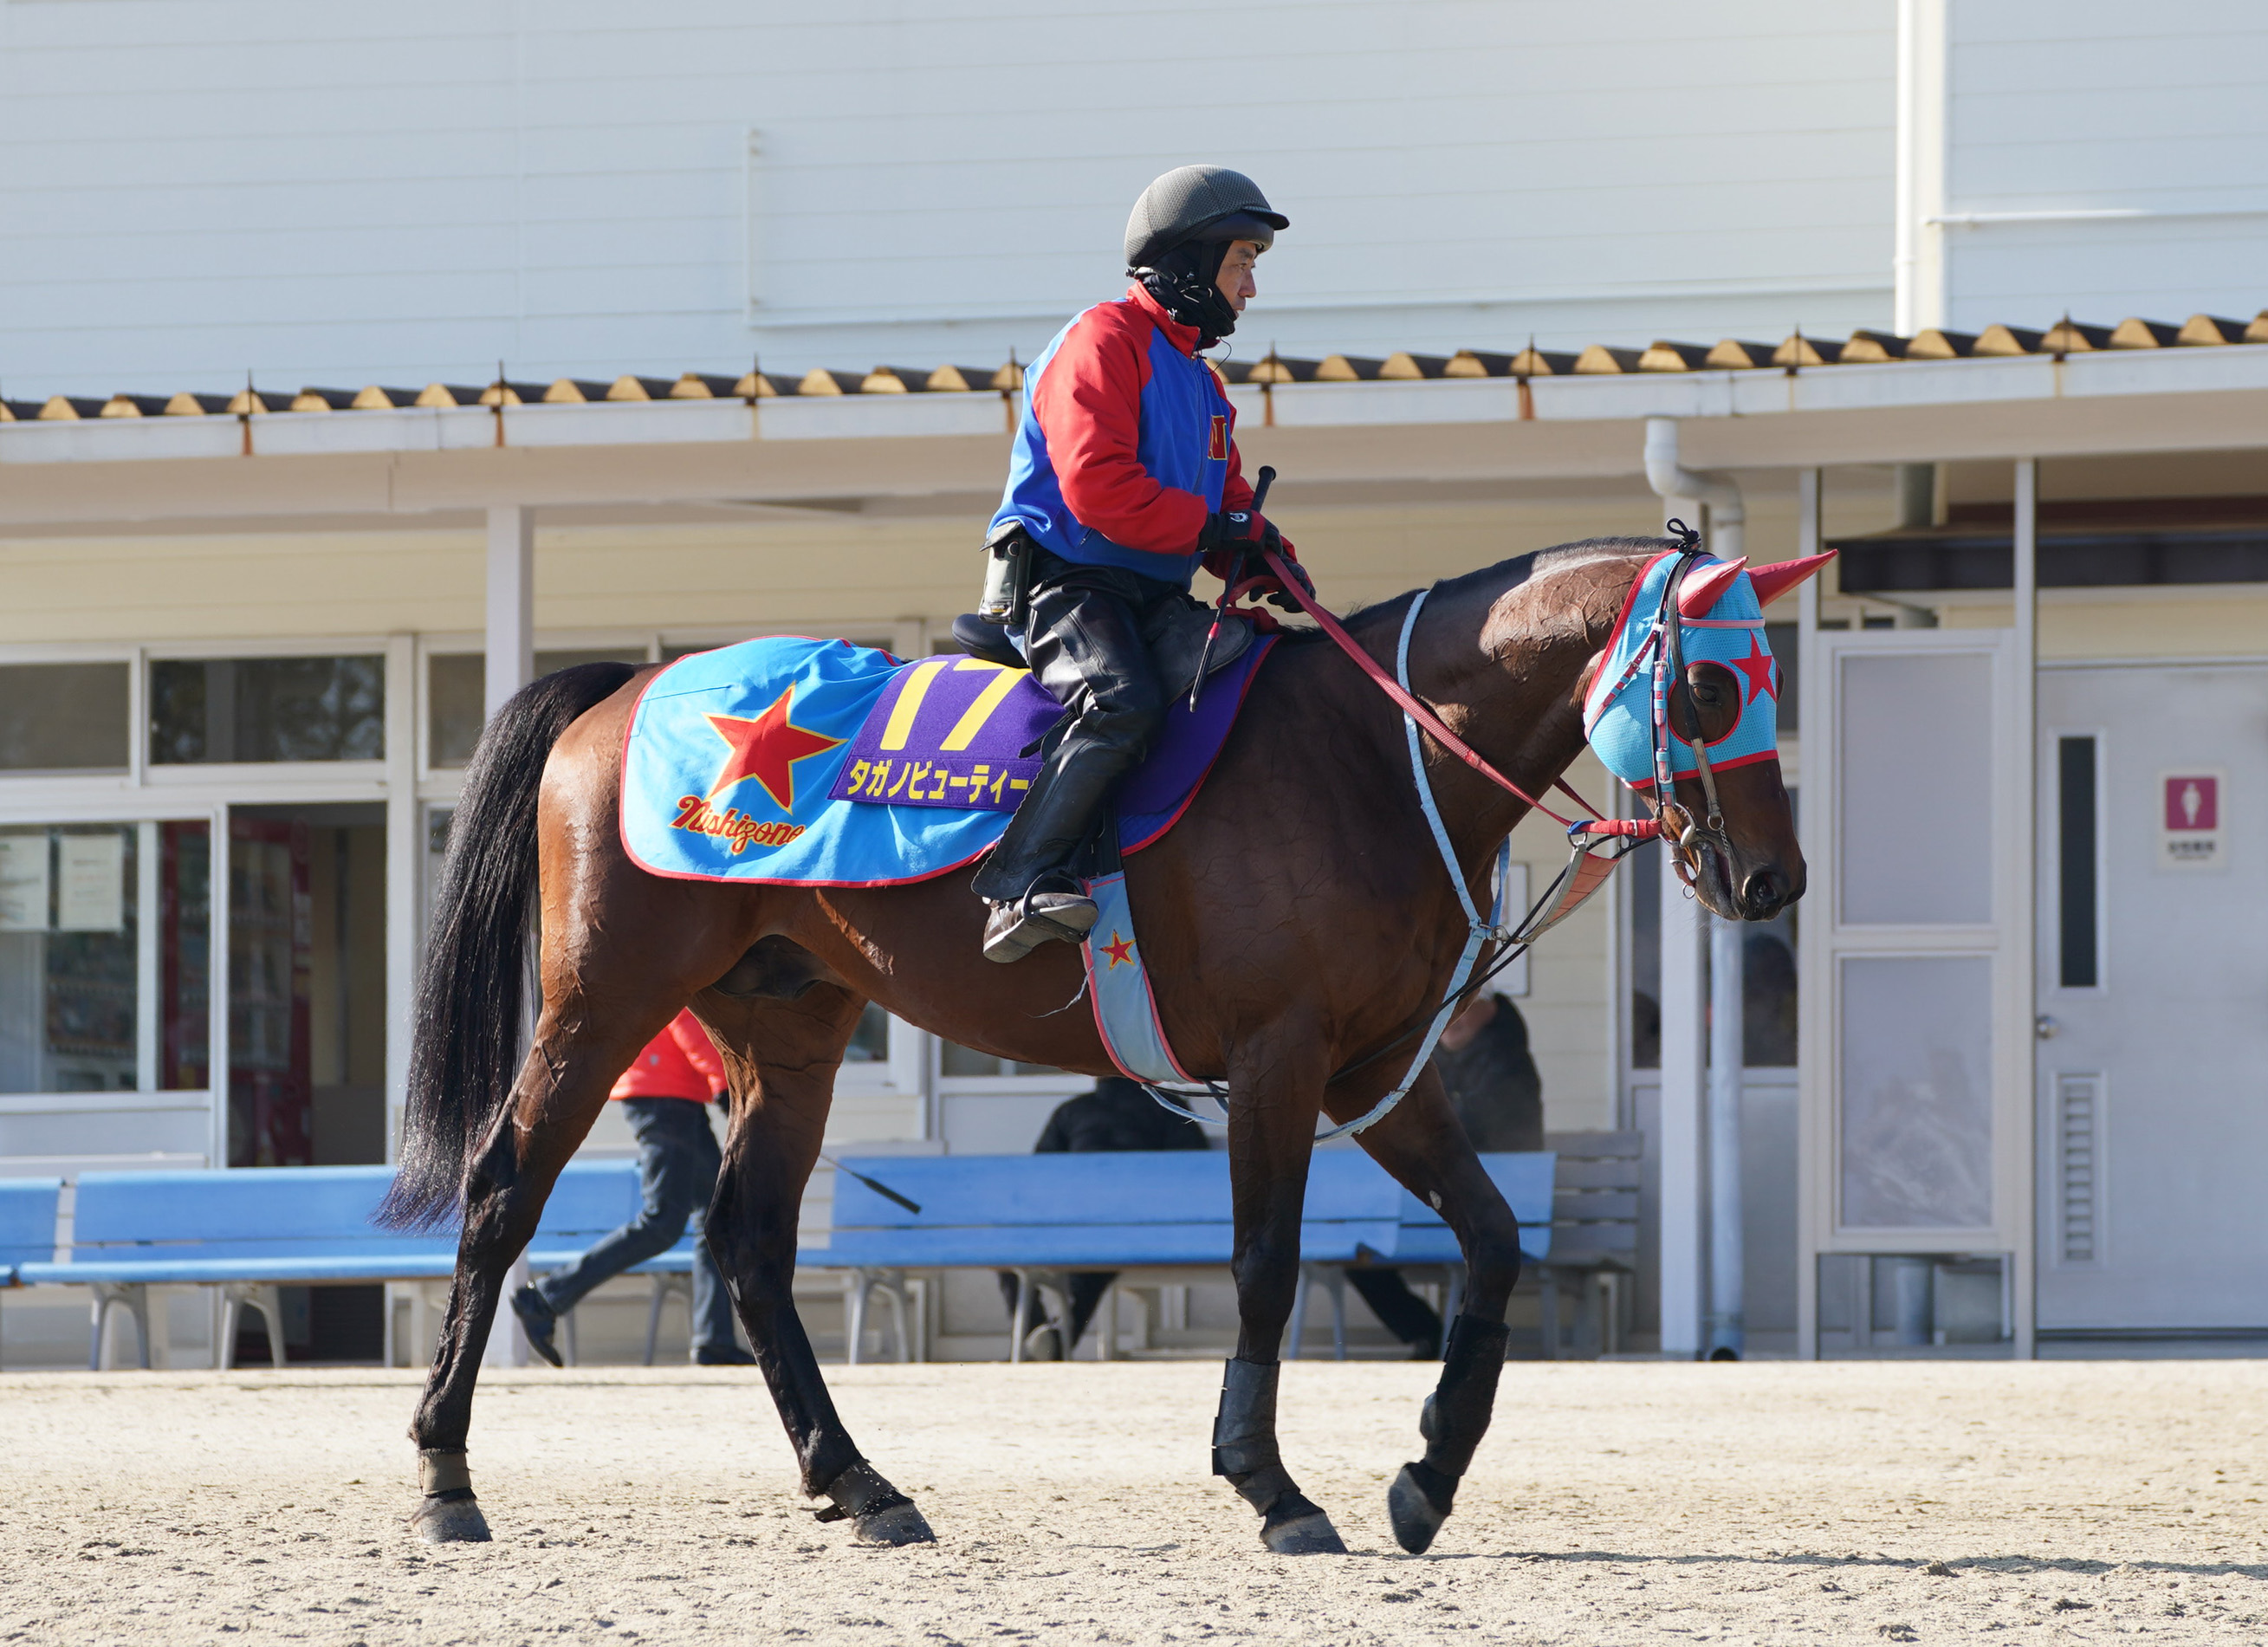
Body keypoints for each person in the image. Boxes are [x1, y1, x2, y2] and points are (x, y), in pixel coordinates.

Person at [970, 165, 1310, 963]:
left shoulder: (1204, 383)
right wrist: (1215, 529)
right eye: (1240, 264)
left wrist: (1265, 556)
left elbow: (1226, 501)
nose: (1250, 288)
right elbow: (1100, 490)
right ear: (1190, 263)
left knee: (1258, 674)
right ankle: (1023, 882)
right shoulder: (1099, 340)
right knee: (1121, 701)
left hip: (1149, 596)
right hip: (1065, 584)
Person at [510, 1009, 754, 1367]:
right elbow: (684, 1016)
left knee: (718, 1219)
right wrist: (722, 1082)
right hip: (663, 1094)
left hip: (674, 1093)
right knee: (662, 1222)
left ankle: (714, 1340)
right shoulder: (683, 952)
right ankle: (545, 1299)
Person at [1342, 993, 1545, 1358]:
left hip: (1494, 1206)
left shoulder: (1508, 1060)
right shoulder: (1428, 1059)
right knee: (1357, 1255)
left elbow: (1483, 1132)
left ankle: (1466, 1348)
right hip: (1434, 1203)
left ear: (1491, 1007)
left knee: (1486, 1253)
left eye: (1466, 1005)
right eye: (1445, 1009)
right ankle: (1425, 1332)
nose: (1453, 1019)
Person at [999, 1075, 1208, 1359]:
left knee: (1008, 1260)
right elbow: (1194, 1175)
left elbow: (1041, 1176)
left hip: (1088, 1229)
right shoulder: (1169, 1108)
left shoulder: (1072, 1111)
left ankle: (1039, 1341)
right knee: (1094, 1264)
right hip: (1144, 1231)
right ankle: (1050, 1345)